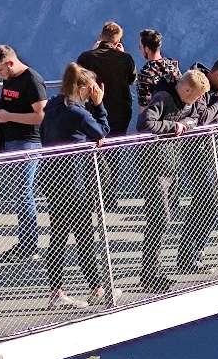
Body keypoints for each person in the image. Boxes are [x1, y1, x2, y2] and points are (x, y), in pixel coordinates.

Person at [38, 63, 115, 309]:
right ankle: (96, 288)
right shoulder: (78, 112)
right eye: (91, 88)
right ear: (83, 88)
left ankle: (57, 292)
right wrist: (100, 104)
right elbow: (101, 132)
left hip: (52, 178)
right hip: (75, 181)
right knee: (83, 234)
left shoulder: (53, 105)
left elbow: (43, 133)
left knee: (58, 236)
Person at [135, 69, 211, 293]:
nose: (198, 100)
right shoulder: (164, 98)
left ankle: (154, 271)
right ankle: (149, 274)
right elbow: (144, 123)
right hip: (154, 167)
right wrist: (172, 127)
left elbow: (196, 118)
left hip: (172, 166)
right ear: (186, 89)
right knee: (159, 218)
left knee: (166, 218)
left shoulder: (190, 103)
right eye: (196, 95)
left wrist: (185, 124)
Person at [176, 57, 218, 273]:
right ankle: (188, 256)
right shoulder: (200, 85)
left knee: (210, 204)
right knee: (208, 202)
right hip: (196, 152)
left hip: (214, 151)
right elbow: (202, 118)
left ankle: (194, 255)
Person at [0, 44, 46, 262]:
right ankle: (25, 241)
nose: (0, 76)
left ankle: (30, 245)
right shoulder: (10, 79)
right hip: (11, 140)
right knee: (18, 193)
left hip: (28, 142)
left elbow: (40, 116)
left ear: (10, 63)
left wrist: (8, 116)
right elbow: (9, 102)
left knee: (23, 192)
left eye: (1, 71)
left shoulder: (32, 79)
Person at [77, 22, 137, 212]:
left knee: (93, 152)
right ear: (118, 40)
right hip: (120, 112)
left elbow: (78, 77)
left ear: (100, 36)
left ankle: (95, 197)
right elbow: (131, 79)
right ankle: (109, 198)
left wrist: (92, 51)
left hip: (94, 111)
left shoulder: (86, 57)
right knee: (113, 154)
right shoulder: (126, 59)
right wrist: (121, 54)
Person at [136, 29, 181, 108]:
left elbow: (144, 108)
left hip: (157, 117)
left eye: (140, 47)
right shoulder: (172, 65)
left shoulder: (145, 74)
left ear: (146, 49)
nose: (140, 49)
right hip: (176, 114)